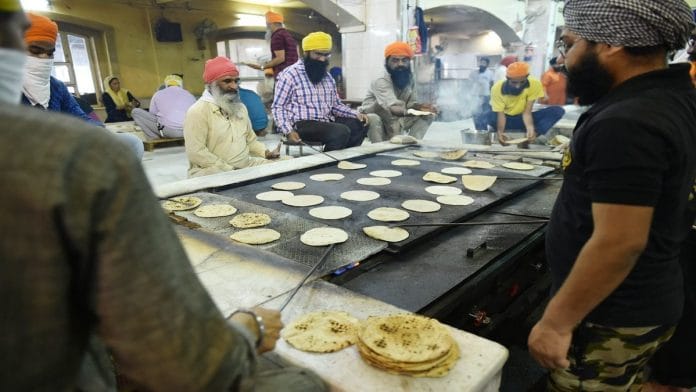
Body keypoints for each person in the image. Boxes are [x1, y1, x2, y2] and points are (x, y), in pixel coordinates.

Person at [0, 3, 326, 391]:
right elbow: (180, 362)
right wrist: (246, 327)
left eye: (48, 54)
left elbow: (253, 143)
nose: (234, 88)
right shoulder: (89, 161)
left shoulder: (55, 94)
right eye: (33, 51)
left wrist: (261, 158)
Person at [527, 2, 696, 391]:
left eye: (570, 43)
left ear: (612, 44)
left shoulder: (628, 120)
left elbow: (620, 242)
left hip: (609, 315)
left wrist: (555, 323)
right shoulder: (673, 96)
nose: (564, 58)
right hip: (650, 296)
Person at [20, 12, 143, 159]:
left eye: (50, 53)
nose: (44, 58)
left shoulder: (56, 87)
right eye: (35, 50)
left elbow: (80, 117)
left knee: (130, 143)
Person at [184, 56, 281, 178]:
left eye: (236, 81)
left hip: (245, 166)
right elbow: (196, 153)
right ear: (211, 84)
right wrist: (229, 169)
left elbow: (250, 141)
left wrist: (266, 153)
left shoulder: (240, 108)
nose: (234, 86)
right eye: (227, 81)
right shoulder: (197, 111)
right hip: (213, 171)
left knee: (286, 162)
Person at [273, 32, 368, 151]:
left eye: (326, 55)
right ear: (306, 53)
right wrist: (288, 131)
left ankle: (345, 160)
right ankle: (327, 166)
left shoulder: (327, 77)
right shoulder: (290, 75)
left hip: (326, 122)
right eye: (318, 54)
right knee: (340, 132)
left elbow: (335, 106)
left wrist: (355, 114)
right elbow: (278, 107)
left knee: (359, 124)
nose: (322, 59)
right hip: (301, 125)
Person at [360, 41, 436, 142]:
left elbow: (411, 104)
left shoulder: (410, 78)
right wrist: (414, 111)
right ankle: (378, 150)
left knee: (428, 115)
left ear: (409, 62)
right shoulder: (381, 79)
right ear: (387, 62)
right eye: (395, 60)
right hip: (379, 119)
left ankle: (412, 143)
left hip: (400, 116)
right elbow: (393, 109)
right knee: (373, 118)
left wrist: (424, 107)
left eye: (404, 60)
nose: (400, 64)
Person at [488, 61, 565, 144]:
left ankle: (531, 137)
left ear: (527, 77)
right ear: (507, 78)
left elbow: (527, 112)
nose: (518, 86)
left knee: (557, 110)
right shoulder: (497, 88)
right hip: (505, 119)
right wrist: (500, 133)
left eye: (522, 82)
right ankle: (484, 137)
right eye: (514, 82)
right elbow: (501, 115)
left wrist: (530, 128)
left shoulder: (534, 84)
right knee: (480, 112)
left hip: (521, 120)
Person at [131, 74, 196, 139]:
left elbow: (152, 114)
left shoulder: (158, 94)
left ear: (166, 84)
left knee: (135, 112)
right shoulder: (190, 95)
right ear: (181, 84)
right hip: (188, 131)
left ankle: (153, 137)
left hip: (169, 132)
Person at [244, 11, 298, 78]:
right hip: (293, 73)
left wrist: (262, 66)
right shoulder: (287, 34)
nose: (267, 27)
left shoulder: (277, 36)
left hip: (283, 74)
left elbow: (280, 58)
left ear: (270, 24)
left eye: (267, 24)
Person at [470, 57, 494, 130]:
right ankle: (477, 129)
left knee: (485, 113)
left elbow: (492, 84)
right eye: (481, 62)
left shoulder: (490, 73)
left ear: (487, 64)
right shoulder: (473, 73)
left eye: (484, 63)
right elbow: (469, 83)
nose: (482, 64)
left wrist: (491, 95)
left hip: (486, 95)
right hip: (475, 96)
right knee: (475, 113)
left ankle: (484, 129)